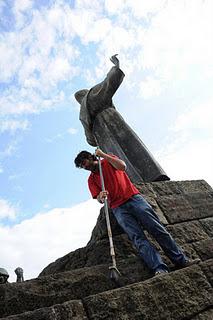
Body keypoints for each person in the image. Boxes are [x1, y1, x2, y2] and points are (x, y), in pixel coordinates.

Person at [74, 149, 200, 276]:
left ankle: (181, 260)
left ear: (91, 157)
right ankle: (159, 267)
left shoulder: (108, 161)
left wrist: (103, 155)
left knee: (157, 228)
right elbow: (99, 198)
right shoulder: (91, 180)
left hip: (134, 198)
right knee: (138, 238)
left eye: (84, 162)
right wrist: (101, 196)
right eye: (82, 166)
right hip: (118, 208)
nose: (85, 166)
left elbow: (122, 166)